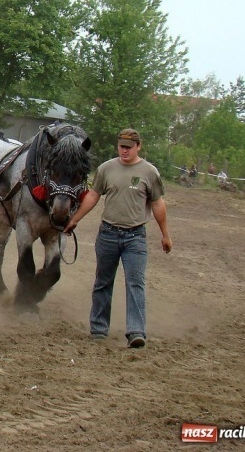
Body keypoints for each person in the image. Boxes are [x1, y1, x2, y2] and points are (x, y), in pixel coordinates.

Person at [64, 128, 173, 348]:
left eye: (129, 147)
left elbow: (157, 204)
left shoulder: (149, 172)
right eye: (121, 146)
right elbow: (93, 195)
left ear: (138, 146)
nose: (124, 150)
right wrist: (75, 219)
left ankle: (136, 331)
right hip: (108, 234)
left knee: (135, 283)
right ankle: (99, 329)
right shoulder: (106, 169)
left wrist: (165, 235)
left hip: (135, 237)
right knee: (103, 282)